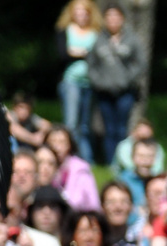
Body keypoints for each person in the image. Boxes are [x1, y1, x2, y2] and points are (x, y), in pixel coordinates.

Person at [85, 2, 142, 165]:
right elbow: (91, 64)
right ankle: (111, 162)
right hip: (104, 92)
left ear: (122, 18)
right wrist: (98, 82)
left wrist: (127, 79)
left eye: (116, 16)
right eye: (109, 16)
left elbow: (140, 63)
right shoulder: (99, 39)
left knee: (121, 128)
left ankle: (123, 161)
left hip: (125, 92)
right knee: (108, 129)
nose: (113, 20)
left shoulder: (131, 39)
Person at [55, 0, 99, 163]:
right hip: (71, 81)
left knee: (85, 126)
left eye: (84, 11)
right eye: (78, 11)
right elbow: (62, 55)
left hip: (89, 83)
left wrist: (75, 52)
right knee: (71, 123)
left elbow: (97, 56)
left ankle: (86, 159)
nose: (81, 15)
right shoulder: (65, 30)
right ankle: (70, 156)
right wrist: (83, 53)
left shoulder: (95, 32)